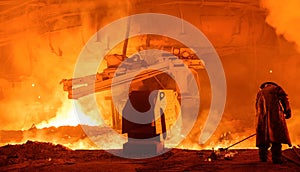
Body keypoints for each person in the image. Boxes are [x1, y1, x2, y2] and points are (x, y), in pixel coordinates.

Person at [255, 82, 292, 164]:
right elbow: (284, 99)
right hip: (275, 117)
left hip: (261, 119)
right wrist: (287, 111)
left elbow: (256, 107)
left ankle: (263, 157)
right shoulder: (276, 89)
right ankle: (276, 158)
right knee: (276, 137)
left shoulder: (260, 93)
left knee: (263, 138)